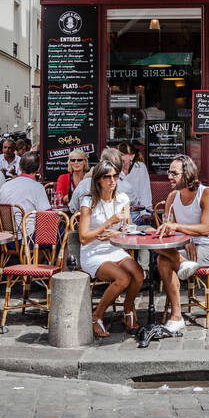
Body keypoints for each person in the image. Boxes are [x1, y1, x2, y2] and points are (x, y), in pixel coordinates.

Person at [156, 155, 209, 336]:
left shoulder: (207, 194)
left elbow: (205, 229)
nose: (169, 176)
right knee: (161, 257)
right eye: (168, 172)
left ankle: (177, 317)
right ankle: (177, 317)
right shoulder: (172, 197)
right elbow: (168, 232)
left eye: (174, 173)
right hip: (187, 246)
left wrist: (179, 229)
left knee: (164, 260)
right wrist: (186, 239)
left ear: (188, 175)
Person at [78, 160, 142, 338]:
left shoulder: (122, 199)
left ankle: (128, 312)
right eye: (107, 177)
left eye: (115, 176)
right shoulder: (88, 202)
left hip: (114, 248)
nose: (112, 180)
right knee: (122, 278)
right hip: (93, 252)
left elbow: (127, 230)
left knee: (138, 274)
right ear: (98, 179)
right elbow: (83, 238)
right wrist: (109, 223)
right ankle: (96, 317)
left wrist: (115, 233)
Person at [0, 150, 53, 239]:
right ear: (39, 168)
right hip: (29, 238)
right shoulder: (37, 187)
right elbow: (47, 216)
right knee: (64, 233)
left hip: (7, 239)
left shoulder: (6, 185)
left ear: (20, 167)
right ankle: (36, 253)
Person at [68, 147, 122, 215]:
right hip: (116, 223)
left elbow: (73, 207)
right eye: (73, 160)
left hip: (89, 223)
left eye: (79, 160)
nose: (76, 162)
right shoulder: (126, 186)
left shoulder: (85, 183)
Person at [116, 141, 153, 225]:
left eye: (122, 155)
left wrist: (145, 213)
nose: (119, 158)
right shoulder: (114, 169)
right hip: (119, 214)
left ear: (131, 156)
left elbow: (145, 192)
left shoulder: (140, 168)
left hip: (137, 213)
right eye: (118, 155)